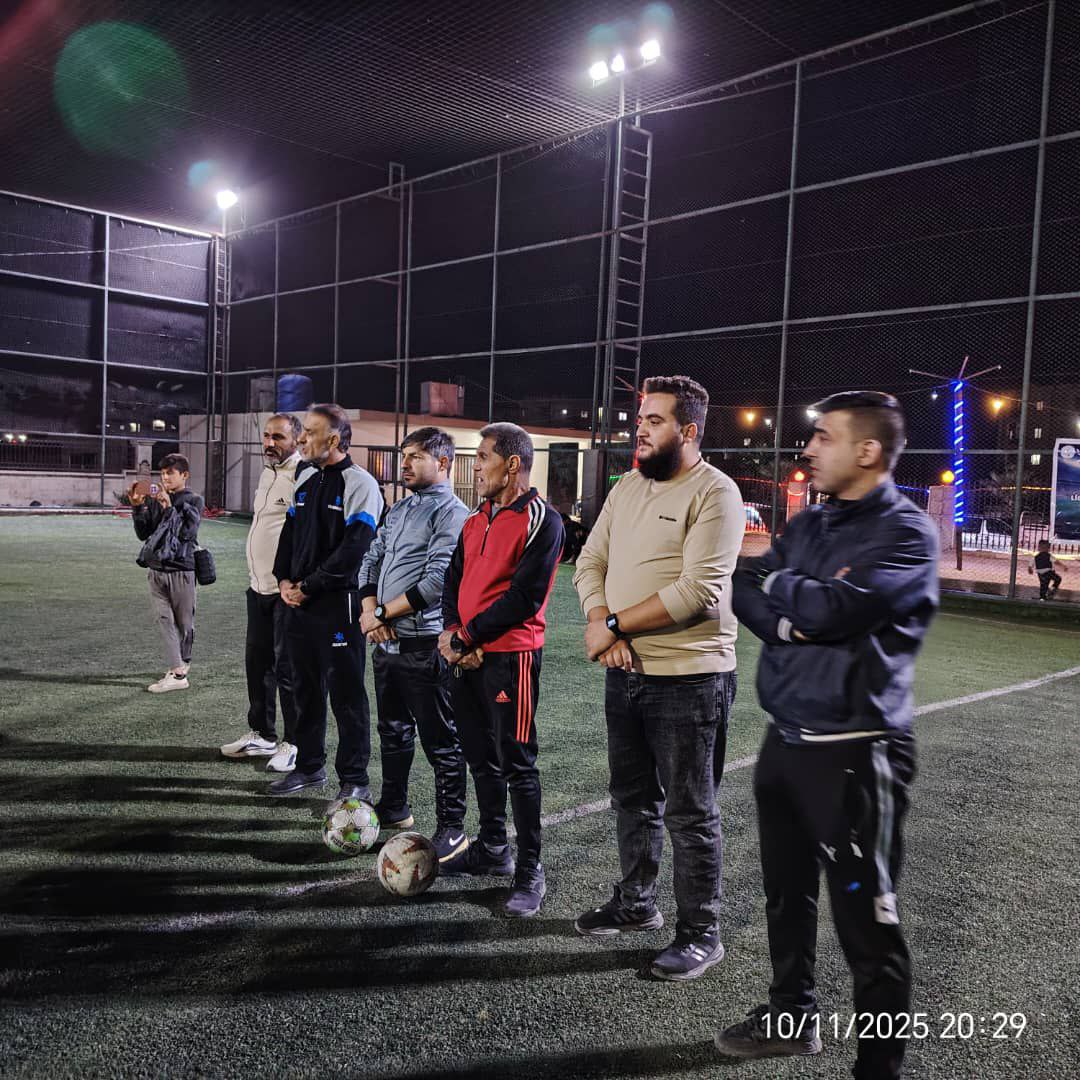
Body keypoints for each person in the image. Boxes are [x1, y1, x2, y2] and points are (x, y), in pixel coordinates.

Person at [716, 391, 938, 1080]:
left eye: (824, 437)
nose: (808, 448)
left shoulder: (907, 532)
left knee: (867, 928)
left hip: (855, 753)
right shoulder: (811, 522)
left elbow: (840, 609)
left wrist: (791, 588)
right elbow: (743, 584)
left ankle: (878, 1070)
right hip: (784, 743)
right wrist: (793, 614)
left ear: (867, 451)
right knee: (785, 896)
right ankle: (792, 1019)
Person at [572, 375, 745, 981]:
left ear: (688, 430)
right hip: (625, 672)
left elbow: (698, 591)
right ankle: (636, 904)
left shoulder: (716, 492)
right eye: (640, 419)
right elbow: (589, 561)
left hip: (689, 679)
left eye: (654, 421)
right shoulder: (627, 489)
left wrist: (613, 625)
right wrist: (605, 624)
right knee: (632, 798)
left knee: (690, 813)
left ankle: (701, 934)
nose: (639, 430)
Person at [439, 422, 564, 918]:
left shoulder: (542, 520)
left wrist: (467, 638)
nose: (475, 468)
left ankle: (530, 869)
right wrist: (454, 633)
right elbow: (453, 581)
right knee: (479, 756)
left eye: (482, 458)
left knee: (517, 761)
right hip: (467, 656)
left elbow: (524, 597)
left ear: (512, 464)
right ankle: (493, 848)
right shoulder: (475, 519)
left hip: (512, 657)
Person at [358, 427, 470, 864]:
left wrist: (383, 614)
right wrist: (371, 610)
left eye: (415, 456)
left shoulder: (453, 513)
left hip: (424, 647)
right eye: (403, 455)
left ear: (443, 463)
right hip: (386, 645)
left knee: (442, 741)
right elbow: (371, 559)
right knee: (393, 730)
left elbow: (439, 579)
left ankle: (452, 829)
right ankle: (394, 806)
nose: (404, 463)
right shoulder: (401, 507)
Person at [267, 404, 384, 801]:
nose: (302, 439)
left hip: (338, 606)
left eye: (310, 432)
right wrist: (284, 579)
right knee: (304, 690)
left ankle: (355, 779)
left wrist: (310, 586)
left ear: (333, 439)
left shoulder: (360, 483)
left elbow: (354, 550)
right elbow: (289, 535)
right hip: (299, 605)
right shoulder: (306, 478)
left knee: (346, 694)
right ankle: (308, 767)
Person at [220, 414, 302, 771]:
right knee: (258, 665)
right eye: (267, 436)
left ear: (296, 439)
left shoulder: (302, 474)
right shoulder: (268, 472)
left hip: (286, 592)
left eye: (278, 437)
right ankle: (263, 734)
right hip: (258, 589)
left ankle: (295, 743)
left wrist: (295, 580)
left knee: (289, 671)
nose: (269, 443)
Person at [129, 453, 204, 694]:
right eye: (162, 474)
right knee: (164, 619)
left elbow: (186, 534)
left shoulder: (194, 500)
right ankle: (178, 672)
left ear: (184, 475)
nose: (165, 478)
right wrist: (138, 507)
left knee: (185, 623)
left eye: (170, 473)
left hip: (181, 569)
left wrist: (169, 508)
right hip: (156, 569)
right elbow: (144, 534)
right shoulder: (156, 499)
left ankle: (183, 663)